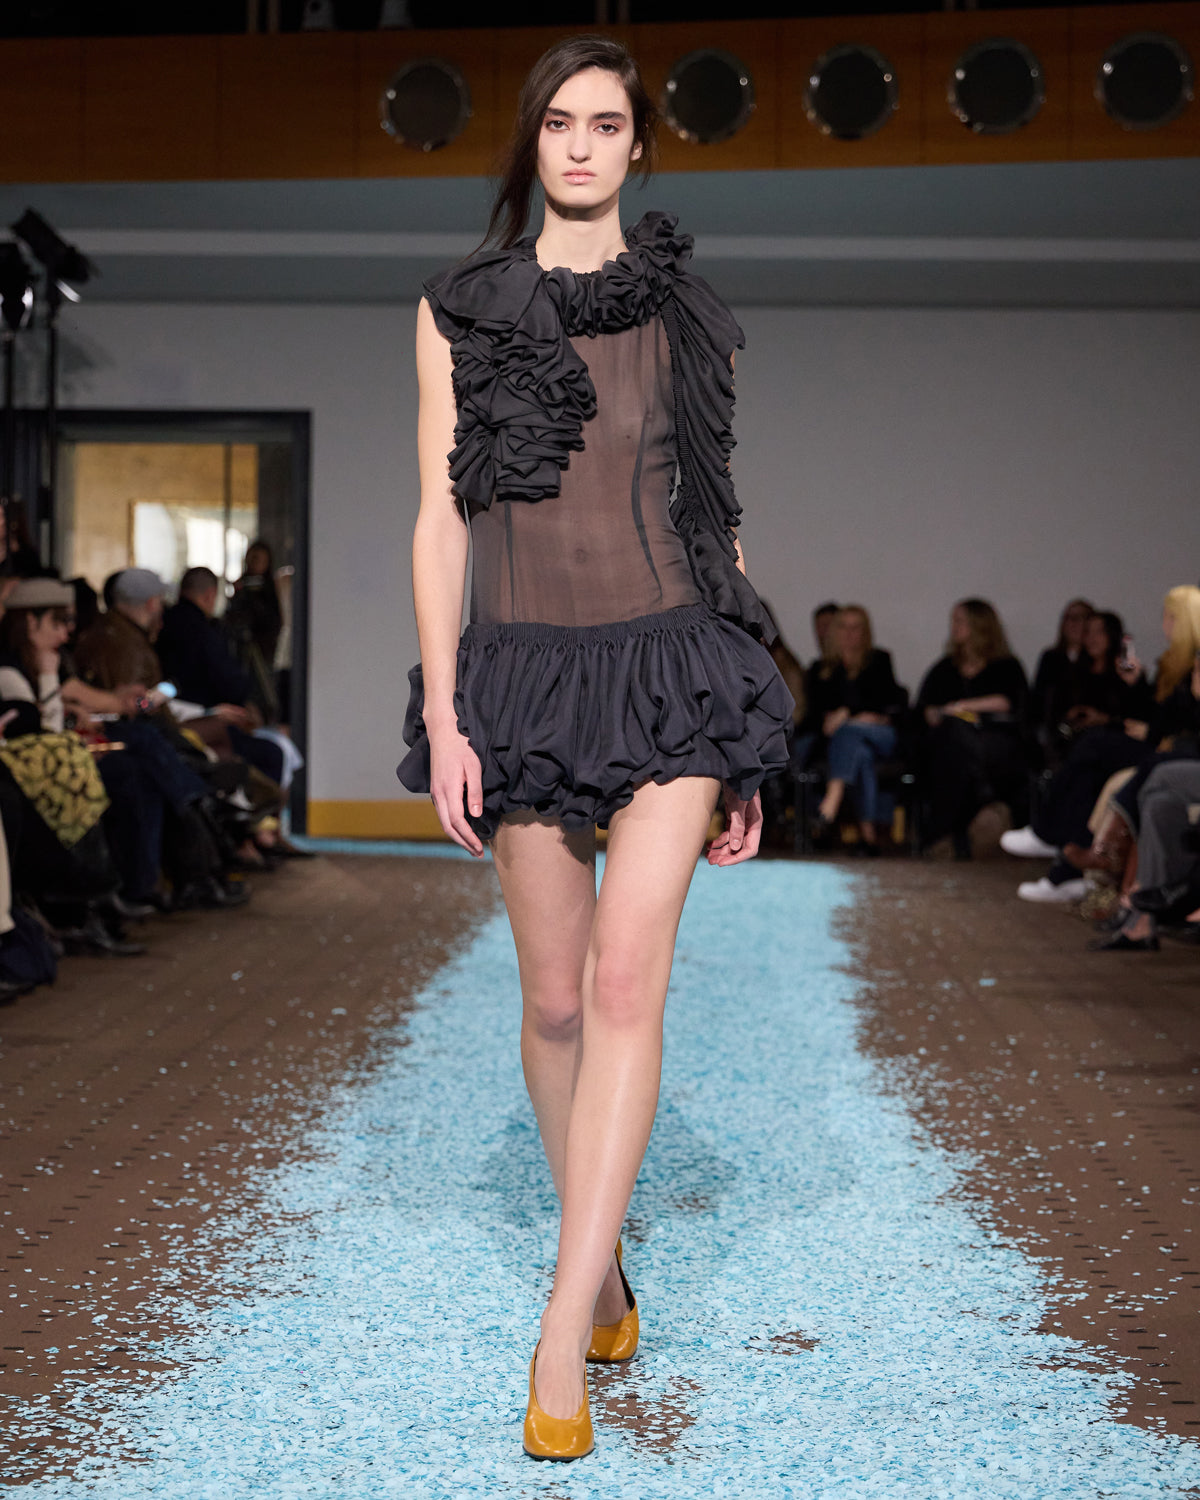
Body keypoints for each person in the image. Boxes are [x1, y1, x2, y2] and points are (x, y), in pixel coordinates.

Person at [395, 35, 792, 1462]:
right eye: (559, 122)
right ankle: (607, 1268)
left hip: (673, 668)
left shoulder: (683, 308)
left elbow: (714, 514)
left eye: (606, 123)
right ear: (534, 140)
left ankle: (562, 1327)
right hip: (519, 679)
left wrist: (744, 738)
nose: (579, 145)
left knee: (627, 983)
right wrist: (446, 711)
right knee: (556, 1003)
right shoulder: (459, 309)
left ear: (637, 145)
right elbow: (442, 519)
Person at [1003, 585, 1200, 902]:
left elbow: (1175, 724)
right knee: (1089, 778)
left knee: (1096, 747)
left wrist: (1138, 713)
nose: (1165, 624)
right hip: (1153, 746)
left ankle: (1048, 836)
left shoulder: (1190, 666)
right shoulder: (1171, 664)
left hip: (1172, 752)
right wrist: (1138, 688)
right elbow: (1158, 716)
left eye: (1172, 617)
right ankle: (1066, 877)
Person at [916, 598, 1030, 859]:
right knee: (952, 741)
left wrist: (961, 707)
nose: (954, 627)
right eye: (953, 621)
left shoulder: (1006, 666)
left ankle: (943, 834)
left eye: (960, 621)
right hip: (951, 748)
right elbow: (925, 708)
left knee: (958, 745)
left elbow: (1008, 702)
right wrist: (941, 713)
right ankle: (983, 804)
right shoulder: (945, 668)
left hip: (995, 742)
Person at [801, 604, 904, 852]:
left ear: (865, 631)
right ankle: (868, 835)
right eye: (843, 627)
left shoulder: (879, 660)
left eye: (855, 628)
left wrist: (846, 714)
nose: (849, 634)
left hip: (880, 735)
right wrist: (853, 716)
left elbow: (887, 702)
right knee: (860, 754)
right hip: (848, 741)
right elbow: (816, 713)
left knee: (848, 730)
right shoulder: (820, 669)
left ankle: (833, 795)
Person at [1029, 597, 1092, 761]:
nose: (1073, 624)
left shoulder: (1095, 660)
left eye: (1080, 618)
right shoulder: (1051, 657)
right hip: (1052, 726)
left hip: (1085, 727)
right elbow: (1039, 697)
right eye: (1069, 618)